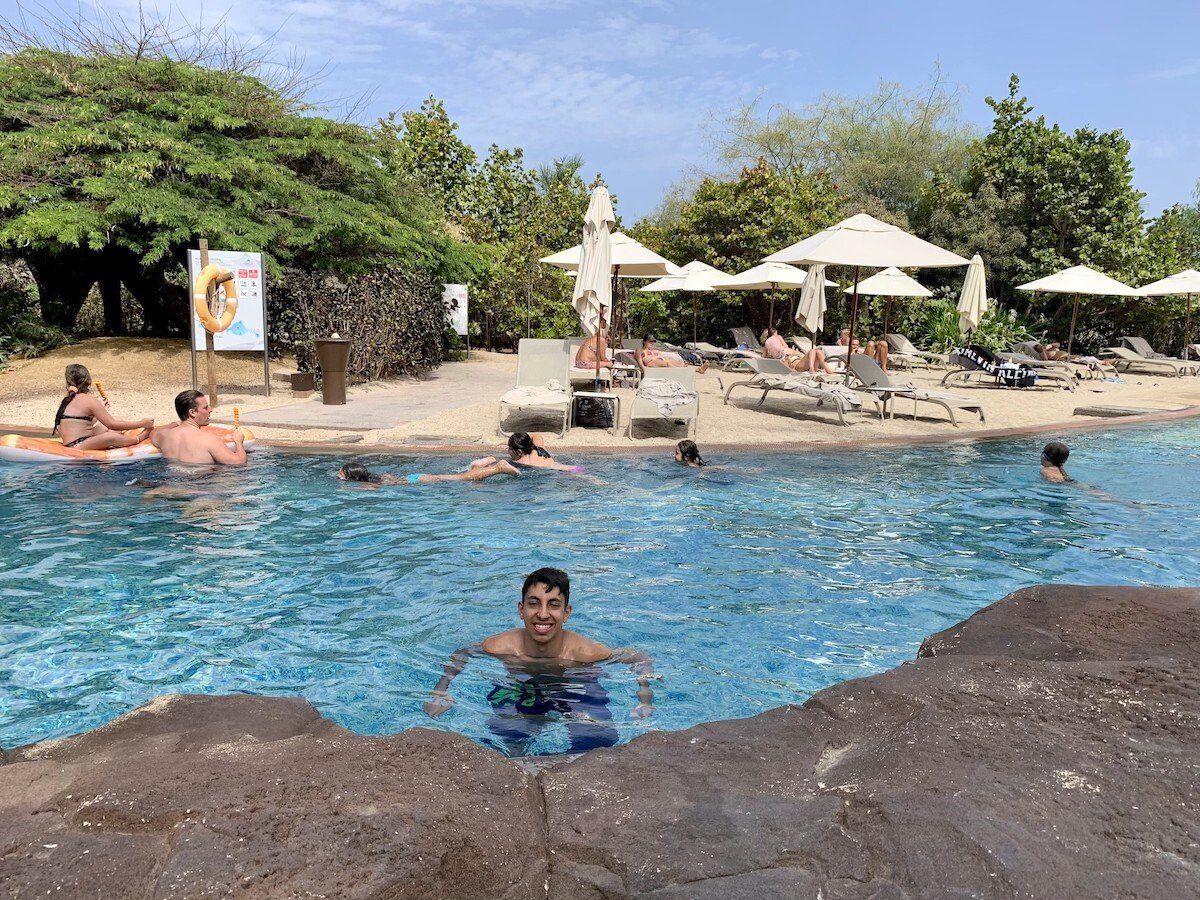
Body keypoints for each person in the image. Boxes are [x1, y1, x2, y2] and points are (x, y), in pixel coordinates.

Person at [424, 567, 655, 756]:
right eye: (534, 603)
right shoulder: (502, 646)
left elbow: (638, 657)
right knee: (507, 736)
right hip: (522, 688)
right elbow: (464, 652)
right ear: (521, 609)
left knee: (599, 740)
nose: (543, 614)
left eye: (553, 605)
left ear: (566, 612)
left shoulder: (585, 652)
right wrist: (440, 690)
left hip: (575, 687)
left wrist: (644, 698)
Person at [52, 364, 153, 450]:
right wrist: (142, 423)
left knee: (117, 419)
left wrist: (101, 410)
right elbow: (112, 425)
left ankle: (118, 442)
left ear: (68, 382)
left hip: (74, 441)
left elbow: (81, 424)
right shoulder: (89, 400)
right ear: (88, 381)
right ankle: (138, 438)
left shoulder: (67, 400)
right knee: (110, 437)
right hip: (78, 445)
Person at [151, 390, 246, 466]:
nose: (210, 410)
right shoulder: (208, 439)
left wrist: (176, 423)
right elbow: (238, 462)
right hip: (201, 481)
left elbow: (154, 431)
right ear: (192, 412)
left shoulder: (163, 435)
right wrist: (239, 442)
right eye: (205, 407)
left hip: (172, 479)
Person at [337, 458, 518, 486]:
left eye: (341, 475)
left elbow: (373, 489)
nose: (338, 476)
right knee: (460, 477)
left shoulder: (368, 484)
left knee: (463, 479)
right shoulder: (372, 477)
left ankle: (498, 468)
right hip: (414, 478)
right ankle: (478, 466)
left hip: (419, 480)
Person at [762, 328, 835, 374]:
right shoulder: (782, 357)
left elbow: (764, 355)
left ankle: (827, 370)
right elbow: (787, 366)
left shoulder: (769, 344)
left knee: (818, 351)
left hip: (804, 361)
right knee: (812, 350)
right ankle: (811, 369)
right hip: (797, 366)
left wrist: (798, 353)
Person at [507, 432, 584, 473]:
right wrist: (517, 441)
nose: (508, 450)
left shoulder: (523, 462)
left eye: (510, 448)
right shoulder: (539, 448)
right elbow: (536, 436)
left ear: (519, 452)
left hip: (565, 473)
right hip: (576, 468)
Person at [637, 335, 709, 373]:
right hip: (651, 362)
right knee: (668, 363)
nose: (652, 343)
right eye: (650, 341)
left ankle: (699, 369)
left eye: (653, 342)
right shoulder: (639, 350)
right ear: (644, 341)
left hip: (659, 360)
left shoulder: (652, 349)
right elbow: (639, 360)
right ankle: (684, 372)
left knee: (680, 364)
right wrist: (643, 369)